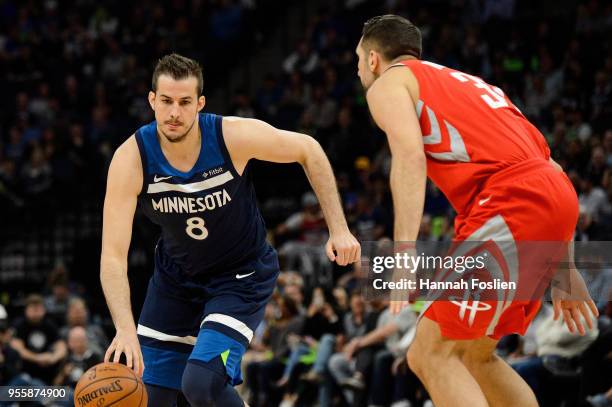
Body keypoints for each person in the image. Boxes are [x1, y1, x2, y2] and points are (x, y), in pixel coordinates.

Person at [355, 15, 599, 407]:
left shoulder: (389, 83)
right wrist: (565, 266)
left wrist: (403, 251)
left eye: (358, 61)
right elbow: (546, 167)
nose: (358, 70)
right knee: (474, 356)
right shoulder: (470, 83)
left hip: (509, 203)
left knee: (430, 353)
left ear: (371, 59)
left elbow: (410, 158)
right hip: (549, 194)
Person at [100, 53, 360, 407]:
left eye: (184, 102)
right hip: (176, 280)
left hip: (240, 275)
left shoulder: (230, 137)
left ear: (200, 104)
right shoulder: (131, 158)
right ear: (152, 101)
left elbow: (308, 149)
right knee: (153, 397)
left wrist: (339, 229)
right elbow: (113, 256)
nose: (174, 112)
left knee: (201, 384)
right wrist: (125, 328)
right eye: (166, 101)